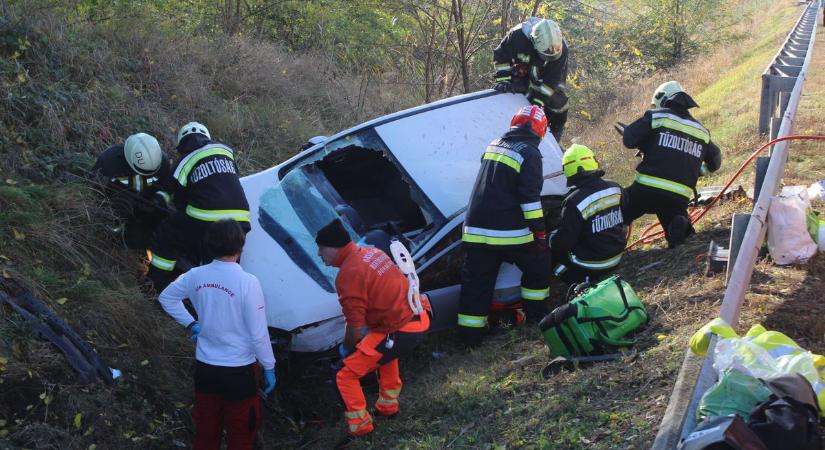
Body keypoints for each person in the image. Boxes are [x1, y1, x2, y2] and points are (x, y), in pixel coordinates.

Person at [159, 219, 276, 450]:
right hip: (240, 373)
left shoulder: (195, 275)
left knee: (205, 432)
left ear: (210, 245)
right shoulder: (248, 282)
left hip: (206, 369)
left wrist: (191, 324)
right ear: (240, 245)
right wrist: (269, 366)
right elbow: (258, 334)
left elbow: (166, 297)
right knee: (242, 434)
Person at [315, 218, 430, 439]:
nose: (320, 255)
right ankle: (388, 408)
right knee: (383, 354)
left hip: (399, 329)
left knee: (343, 374)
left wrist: (346, 349)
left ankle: (362, 429)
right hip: (417, 319)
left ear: (333, 247)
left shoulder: (348, 274)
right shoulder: (371, 252)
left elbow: (355, 328)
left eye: (321, 249)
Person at [458, 105, 551, 347]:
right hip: (509, 233)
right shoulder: (530, 153)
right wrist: (540, 234)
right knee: (538, 267)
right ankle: (537, 318)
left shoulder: (494, 144)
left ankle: (470, 340)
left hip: (474, 229)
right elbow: (530, 199)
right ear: (540, 130)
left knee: (476, 285)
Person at [147, 121, 251, 292]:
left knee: (168, 232)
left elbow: (170, 190)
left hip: (206, 218)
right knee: (224, 262)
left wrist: (158, 199)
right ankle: (223, 296)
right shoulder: (226, 151)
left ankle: (155, 284)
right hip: (241, 220)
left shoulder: (186, 160)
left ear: (182, 145)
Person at [620, 81, 722, 248]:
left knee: (619, 213)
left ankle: (613, 244)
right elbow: (716, 161)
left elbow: (629, 139)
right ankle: (680, 226)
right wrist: (698, 171)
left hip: (646, 189)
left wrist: (645, 142)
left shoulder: (657, 117)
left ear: (662, 99)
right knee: (674, 219)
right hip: (678, 195)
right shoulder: (701, 131)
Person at [549, 144, 626, 285]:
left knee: (551, 256)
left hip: (592, 265)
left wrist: (550, 238)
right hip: (617, 256)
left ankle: (579, 282)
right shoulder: (615, 187)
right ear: (594, 162)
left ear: (567, 170)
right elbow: (626, 215)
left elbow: (565, 242)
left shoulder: (573, 201)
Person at [91, 132, 174, 249]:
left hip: (147, 203)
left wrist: (158, 199)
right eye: (142, 171)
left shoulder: (163, 163)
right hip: (118, 203)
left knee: (164, 218)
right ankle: (114, 239)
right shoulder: (109, 161)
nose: (146, 175)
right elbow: (95, 188)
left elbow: (166, 186)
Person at [493, 17, 569, 141]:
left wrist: (538, 103)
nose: (546, 58)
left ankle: (553, 136)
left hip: (545, 75)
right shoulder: (517, 37)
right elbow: (501, 56)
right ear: (533, 42)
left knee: (558, 101)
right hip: (521, 72)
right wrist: (503, 80)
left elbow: (552, 80)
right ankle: (510, 125)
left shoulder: (561, 48)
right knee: (512, 94)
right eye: (544, 55)